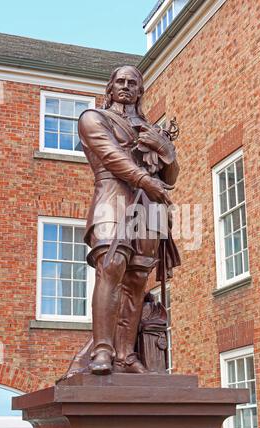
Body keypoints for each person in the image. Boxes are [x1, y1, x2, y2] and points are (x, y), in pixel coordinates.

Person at [77, 65, 180, 375]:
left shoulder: (151, 128)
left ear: (140, 90)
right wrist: (145, 180)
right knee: (111, 267)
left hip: (148, 208)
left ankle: (125, 353)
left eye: (132, 82)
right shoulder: (93, 118)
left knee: (137, 280)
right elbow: (110, 155)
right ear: (111, 87)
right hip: (112, 198)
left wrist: (166, 150)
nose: (125, 86)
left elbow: (170, 177)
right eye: (119, 81)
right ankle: (103, 351)